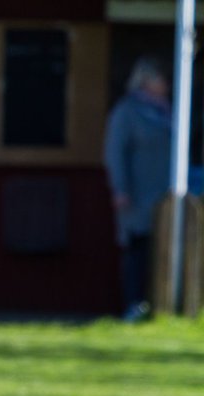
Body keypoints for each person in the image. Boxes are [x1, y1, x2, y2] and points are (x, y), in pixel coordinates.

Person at [104, 55, 172, 322]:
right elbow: (114, 152)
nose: (165, 83)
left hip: (164, 193)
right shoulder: (127, 111)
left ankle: (159, 306)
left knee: (162, 249)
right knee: (137, 250)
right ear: (145, 81)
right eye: (159, 78)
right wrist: (120, 188)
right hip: (137, 195)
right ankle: (133, 304)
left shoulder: (166, 110)